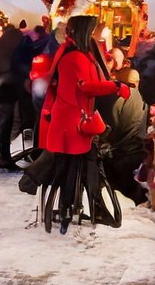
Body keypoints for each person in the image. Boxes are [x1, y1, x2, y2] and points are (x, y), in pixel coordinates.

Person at [38, 15, 130, 233]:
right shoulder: (76, 56)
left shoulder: (72, 52)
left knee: (70, 165)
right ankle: (68, 209)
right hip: (72, 123)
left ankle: (71, 208)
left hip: (70, 120)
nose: (94, 34)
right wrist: (115, 86)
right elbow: (87, 86)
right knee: (72, 166)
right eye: (91, 30)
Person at [0, 24, 27, 172]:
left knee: (5, 123)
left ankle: (3, 155)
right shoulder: (18, 44)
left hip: (1, 88)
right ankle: (4, 158)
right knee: (9, 122)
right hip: (12, 87)